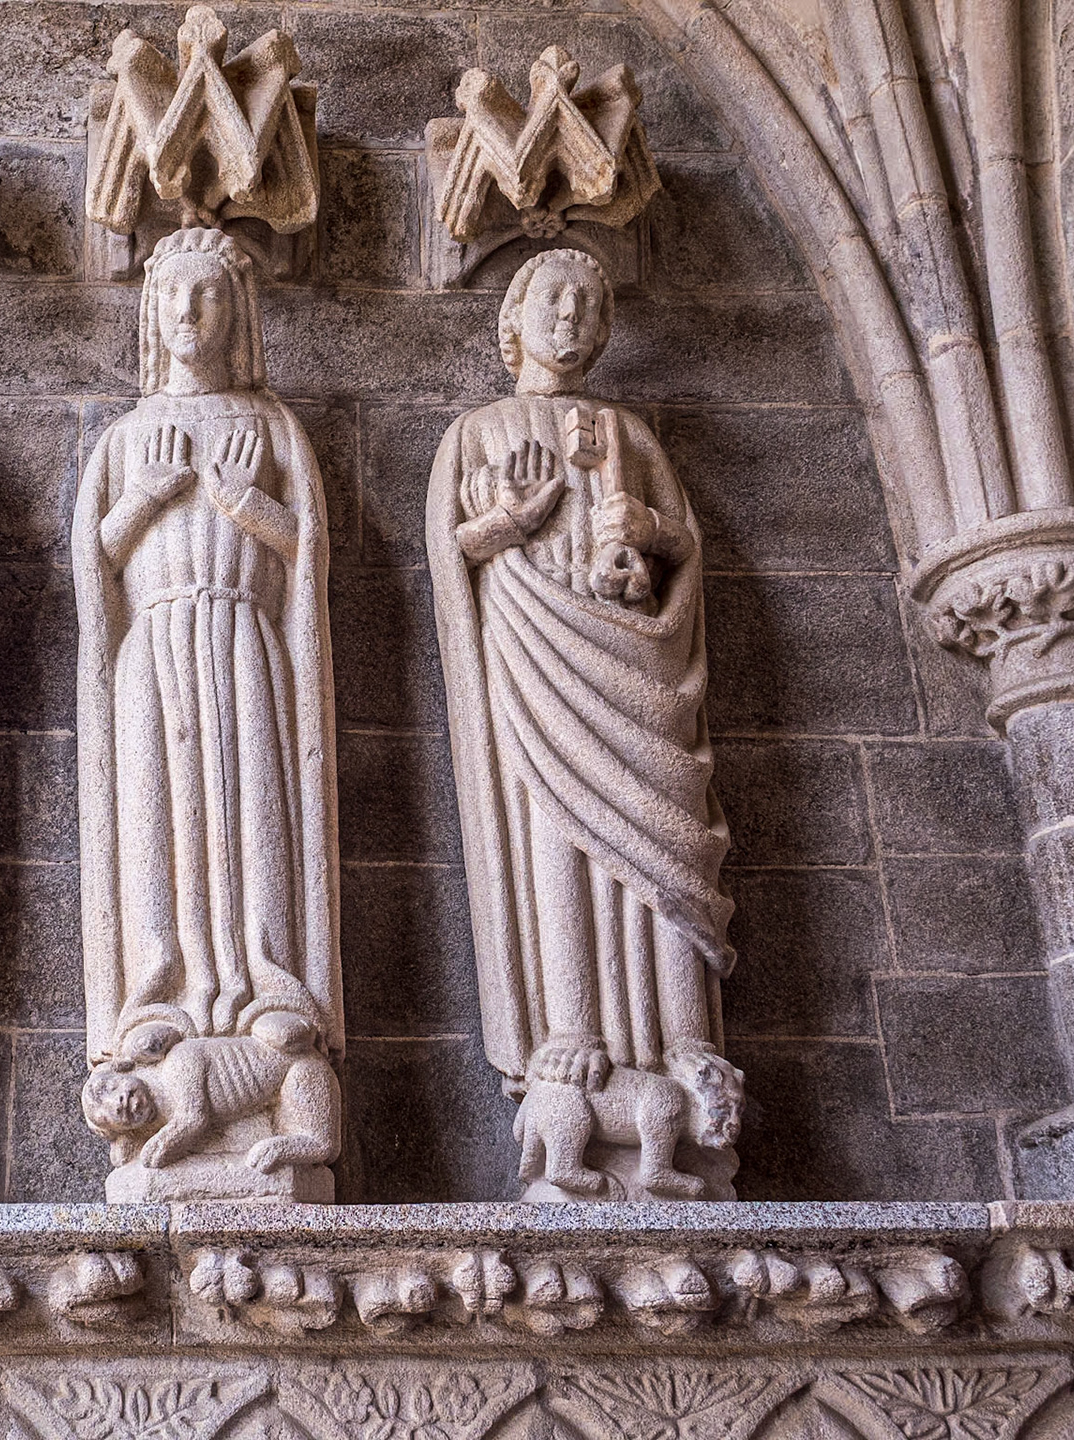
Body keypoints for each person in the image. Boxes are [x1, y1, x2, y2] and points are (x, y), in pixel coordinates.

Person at [426, 247, 742, 1201]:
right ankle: (573, 1033)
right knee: (553, 834)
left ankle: (686, 1050)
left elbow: (678, 544)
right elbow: (453, 554)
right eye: (551, 298)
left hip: (629, 660)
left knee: (661, 843)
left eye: (587, 302)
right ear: (513, 320)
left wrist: (635, 526)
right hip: (531, 648)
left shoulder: (626, 431)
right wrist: (510, 527)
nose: (569, 315)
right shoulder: (475, 432)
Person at [71, 227, 341, 1200]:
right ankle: (162, 999)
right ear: (152, 313)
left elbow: (306, 549)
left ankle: (266, 982)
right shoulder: (123, 439)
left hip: (242, 643)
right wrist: (143, 500)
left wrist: (236, 499)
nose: (191, 314)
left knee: (248, 820)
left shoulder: (269, 429)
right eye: (175, 295)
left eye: (209, 295)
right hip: (152, 651)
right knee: (160, 834)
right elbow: (94, 565)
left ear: (237, 313)